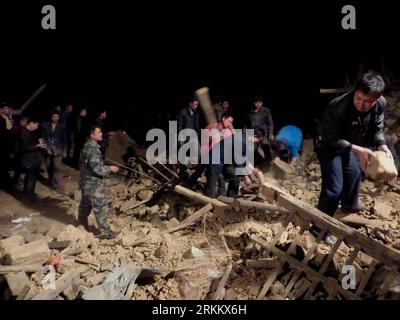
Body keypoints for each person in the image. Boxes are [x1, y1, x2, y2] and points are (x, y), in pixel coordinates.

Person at [316, 71, 391, 245]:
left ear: (377, 99)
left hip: (351, 145)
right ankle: (319, 227)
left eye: (368, 102)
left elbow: (377, 127)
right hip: (329, 146)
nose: (362, 105)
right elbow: (330, 138)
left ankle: (349, 206)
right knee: (334, 189)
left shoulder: (380, 103)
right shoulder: (337, 106)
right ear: (354, 91)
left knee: (355, 173)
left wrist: (382, 145)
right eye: (359, 98)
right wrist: (358, 149)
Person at [78, 126, 120, 239]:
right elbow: (97, 169)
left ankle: (81, 224)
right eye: (99, 132)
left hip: (85, 180)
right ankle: (106, 233)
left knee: (85, 203)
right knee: (101, 206)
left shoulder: (86, 146)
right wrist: (110, 169)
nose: (101, 134)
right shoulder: (93, 150)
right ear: (92, 135)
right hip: (93, 183)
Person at [41, 110, 67, 192]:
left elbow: (64, 139)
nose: (55, 118)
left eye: (57, 117)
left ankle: (57, 186)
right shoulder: (45, 125)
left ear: (59, 118)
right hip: (48, 149)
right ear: (51, 117)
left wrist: (64, 151)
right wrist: (46, 148)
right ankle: (51, 180)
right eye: (53, 116)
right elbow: (43, 138)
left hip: (58, 149)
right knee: (48, 166)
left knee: (57, 167)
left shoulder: (62, 126)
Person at [19, 117, 46, 198]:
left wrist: (40, 141)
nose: (37, 127)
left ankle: (30, 193)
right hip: (28, 159)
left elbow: (37, 139)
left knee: (32, 178)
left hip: (34, 159)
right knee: (30, 178)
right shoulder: (24, 133)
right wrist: (38, 145)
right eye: (36, 125)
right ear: (30, 123)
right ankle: (28, 196)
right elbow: (25, 147)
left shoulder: (32, 132)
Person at [248, 95, 274, 169]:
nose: (258, 104)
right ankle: (258, 166)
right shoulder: (251, 112)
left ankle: (268, 168)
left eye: (260, 102)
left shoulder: (266, 110)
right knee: (253, 150)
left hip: (264, 135)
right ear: (254, 103)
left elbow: (270, 123)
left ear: (262, 103)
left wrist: (270, 134)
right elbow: (248, 124)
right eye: (256, 102)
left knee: (266, 150)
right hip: (254, 135)